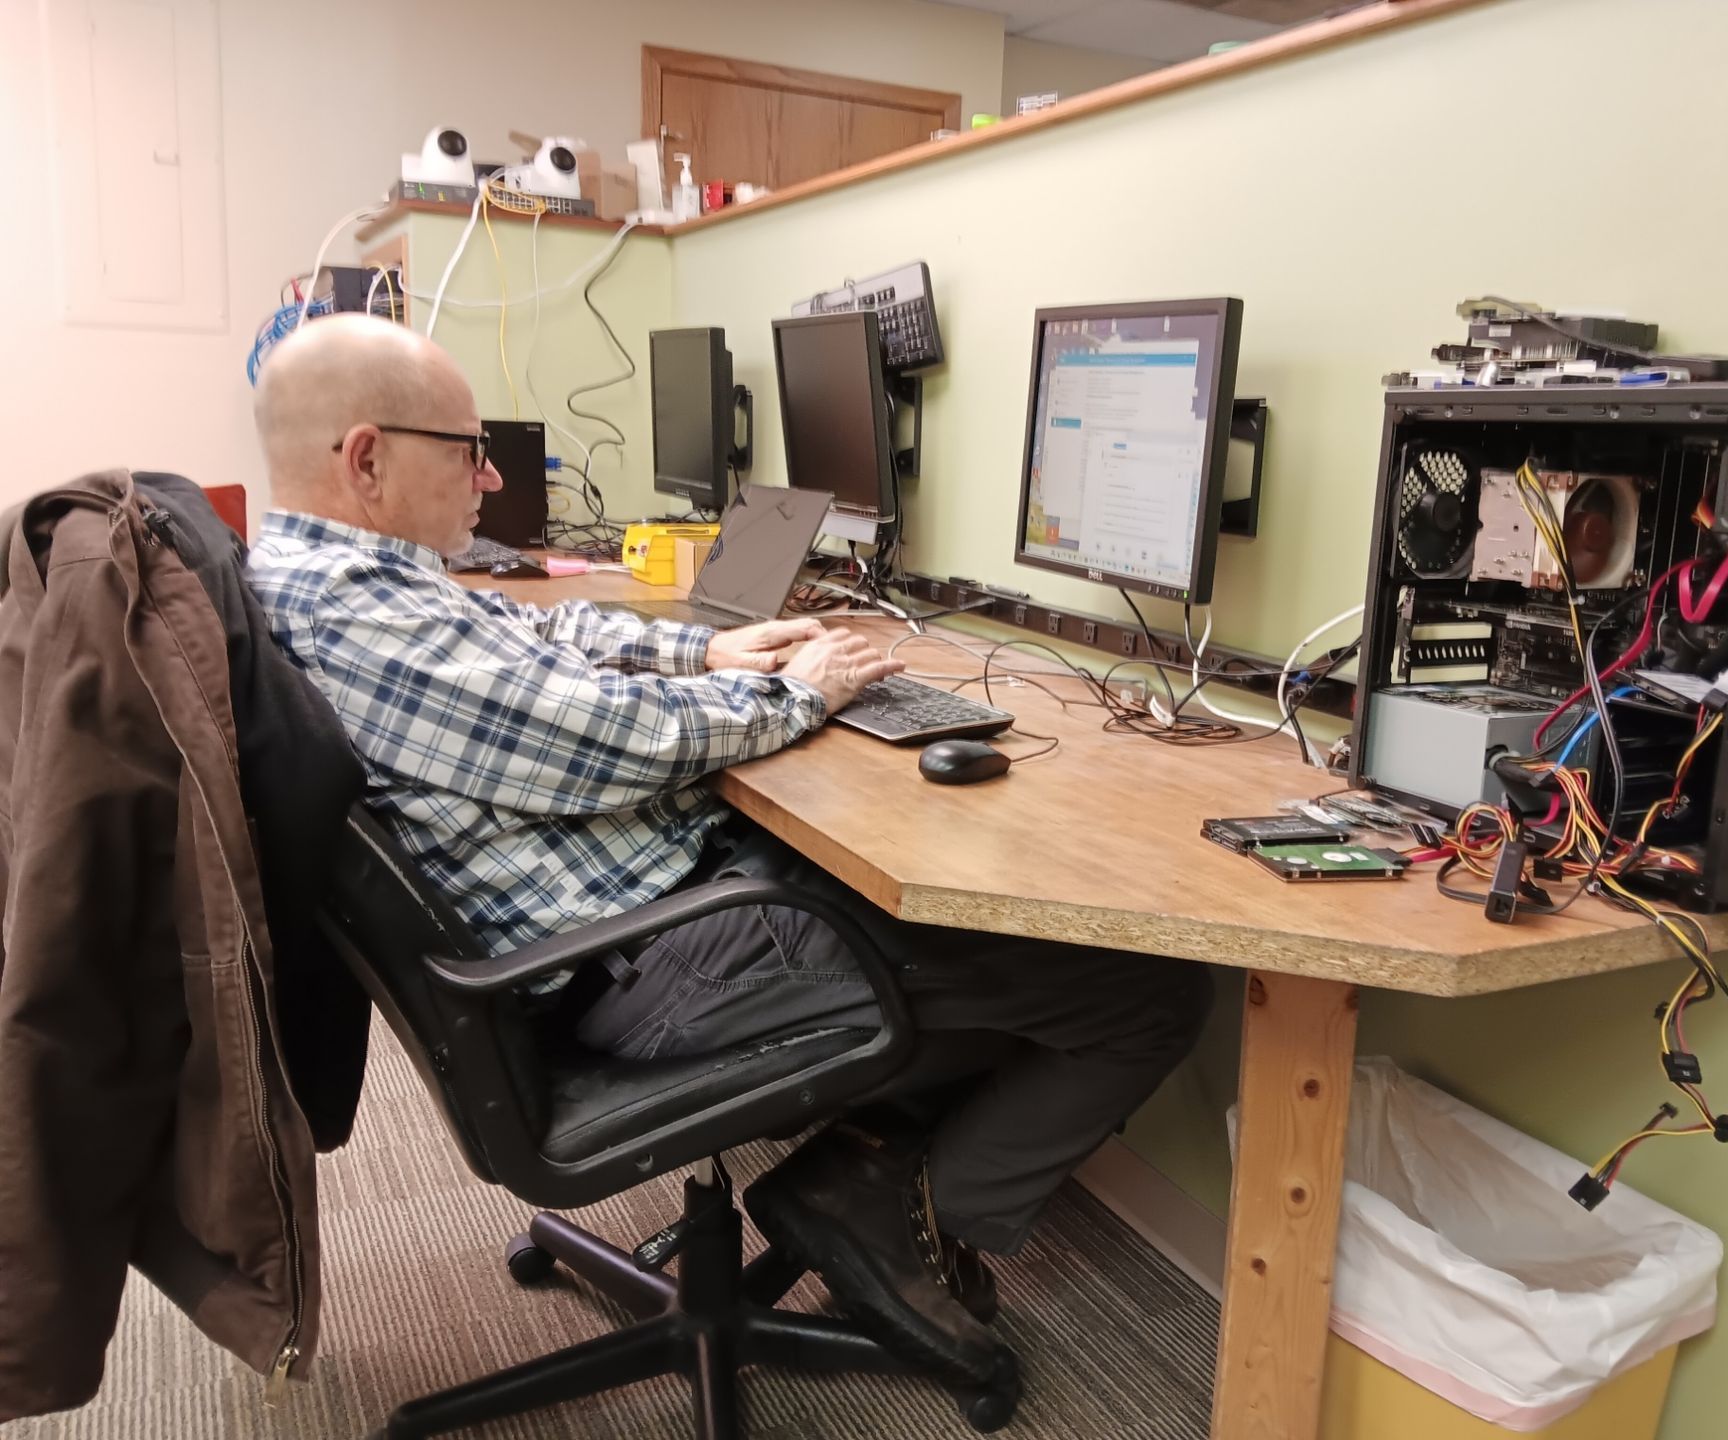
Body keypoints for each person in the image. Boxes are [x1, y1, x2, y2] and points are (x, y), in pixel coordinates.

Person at [246, 315, 1211, 1388]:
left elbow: (541, 640)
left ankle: (861, 1170)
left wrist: (710, 648)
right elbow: (611, 739)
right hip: (649, 960)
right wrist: (799, 693)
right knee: (1148, 991)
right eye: (469, 451)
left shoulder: (336, 580)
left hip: (627, 926)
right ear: (366, 459)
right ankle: (898, 1210)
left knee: (960, 908)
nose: (489, 477)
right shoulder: (358, 618)